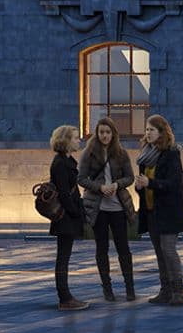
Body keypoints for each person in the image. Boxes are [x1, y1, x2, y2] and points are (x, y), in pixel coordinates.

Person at [77, 119, 138, 302]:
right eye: (101, 132)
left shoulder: (121, 154)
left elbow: (130, 178)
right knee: (101, 248)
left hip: (118, 207)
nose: (104, 135)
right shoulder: (89, 154)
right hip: (98, 208)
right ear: (97, 134)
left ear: (113, 134)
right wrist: (99, 187)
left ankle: (129, 287)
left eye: (108, 132)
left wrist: (116, 184)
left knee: (123, 248)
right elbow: (81, 179)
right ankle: (107, 288)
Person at [132, 115, 183, 305]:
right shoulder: (145, 155)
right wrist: (139, 186)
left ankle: (178, 291)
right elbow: (145, 183)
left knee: (168, 249)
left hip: (169, 211)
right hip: (151, 212)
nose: (148, 133)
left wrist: (150, 183)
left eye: (152, 130)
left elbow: (173, 184)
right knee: (159, 251)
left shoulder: (171, 153)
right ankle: (165, 290)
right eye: (147, 130)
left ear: (162, 132)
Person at [48, 125, 89, 311]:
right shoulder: (60, 163)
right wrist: (75, 212)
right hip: (65, 217)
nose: (78, 140)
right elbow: (64, 193)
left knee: (64, 256)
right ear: (65, 140)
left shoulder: (66, 161)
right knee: (63, 257)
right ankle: (64, 298)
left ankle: (65, 296)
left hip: (68, 215)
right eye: (75, 138)